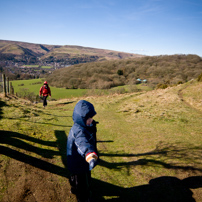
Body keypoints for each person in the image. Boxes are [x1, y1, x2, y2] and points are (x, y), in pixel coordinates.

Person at [67, 100, 99, 202]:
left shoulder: (83, 126)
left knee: (77, 178)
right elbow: (82, 143)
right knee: (82, 185)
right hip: (79, 162)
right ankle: (83, 198)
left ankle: (74, 188)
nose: (91, 121)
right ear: (81, 119)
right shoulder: (79, 131)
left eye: (91, 118)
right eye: (88, 119)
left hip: (79, 161)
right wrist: (89, 155)